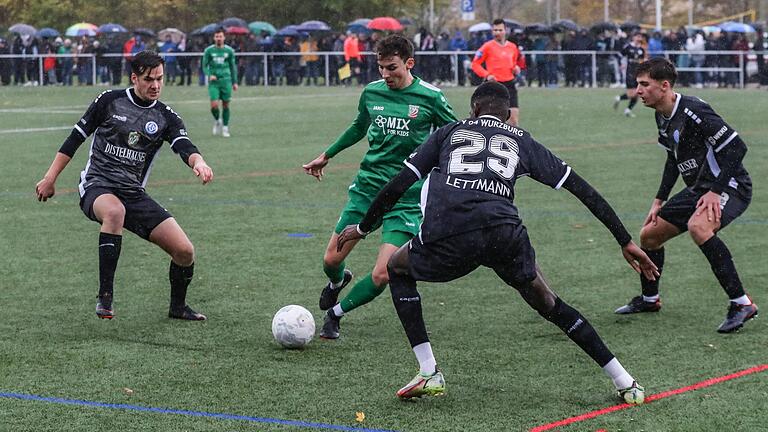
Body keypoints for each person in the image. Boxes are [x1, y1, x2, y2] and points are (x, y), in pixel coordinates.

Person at [337, 81, 655, 402]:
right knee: (549, 302)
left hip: (450, 230)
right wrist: (625, 240)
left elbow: (398, 183)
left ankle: (429, 370)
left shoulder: (449, 131)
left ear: (474, 109)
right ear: (507, 116)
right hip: (503, 232)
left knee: (397, 268)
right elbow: (583, 190)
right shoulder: (521, 140)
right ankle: (625, 381)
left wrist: (363, 228)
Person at [35, 50, 213, 321]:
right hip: (97, 185)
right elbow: (75, 138)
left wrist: (198, 162)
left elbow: (184, 145)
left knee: (184, 251)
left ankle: (178, 307)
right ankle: (105, 297)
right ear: (134, 78)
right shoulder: (110, 101)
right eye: (148, 79)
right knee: (114, 212)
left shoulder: (166, 117)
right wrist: (50, 178)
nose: (155, 85)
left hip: (133, 193)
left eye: (160, 79)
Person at [302, 35, 457, 340]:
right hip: (367, 189)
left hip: (406, 198)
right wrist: (326, 155)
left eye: (392, 67)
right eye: (380, 68)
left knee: (383, 272)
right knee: (331, 261)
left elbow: (454, 137)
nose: (385, 75)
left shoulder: (431, 97)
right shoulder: (372, 92)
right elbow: (359, 126)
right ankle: (337, 283)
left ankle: (335, 314)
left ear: (409, 63)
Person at [614, 58, 757, 333]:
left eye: (645, 84)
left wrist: (716, 191)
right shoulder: (661, 114)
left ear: (664, 86)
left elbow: (737, 147)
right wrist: (659, 199)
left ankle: (742, 304)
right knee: (649, 235)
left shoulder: (694, 110)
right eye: (637, 84)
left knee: (699, 227)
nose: (638, 90)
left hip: (730, 185)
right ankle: (649, 299)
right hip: (699, 188)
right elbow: (672, 159)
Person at [471, 19, 525, 126]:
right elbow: (475, 64)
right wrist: (487, 75)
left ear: (505, 31)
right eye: (495, 30)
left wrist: (516, 68)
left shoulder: (512, 47)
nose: (497, 33)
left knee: (513, 121)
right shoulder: (487, 46)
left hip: (509, 84)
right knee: (494, 120)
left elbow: (513, 63)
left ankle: (511, 142)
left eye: (500, 30)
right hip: (494, 86)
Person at [203, 28, 238, 137]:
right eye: (217, 36)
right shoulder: (209, 51)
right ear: (214, 38)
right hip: (214, 83)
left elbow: (233, 67)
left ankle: (225, 128)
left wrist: (235, 82)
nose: (219, 38)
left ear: (224, 37)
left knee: (226, 105)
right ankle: (217, 120)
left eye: (220, 36)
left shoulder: (229, 51)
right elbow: (204, 66)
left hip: (226, 81)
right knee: (214, 105)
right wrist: (209, 74)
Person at [612, 32, 645, 118]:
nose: (639, 39)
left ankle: (627, 110)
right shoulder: (628, 47)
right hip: (630, 73)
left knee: (638, 93)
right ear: (633, 38)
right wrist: (621, 64)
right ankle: (619, 98)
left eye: (640, 37)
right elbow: (619, 55)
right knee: (632, 94)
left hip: (638, 74)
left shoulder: (641, 49)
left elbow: (642, 61)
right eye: (637, 36)